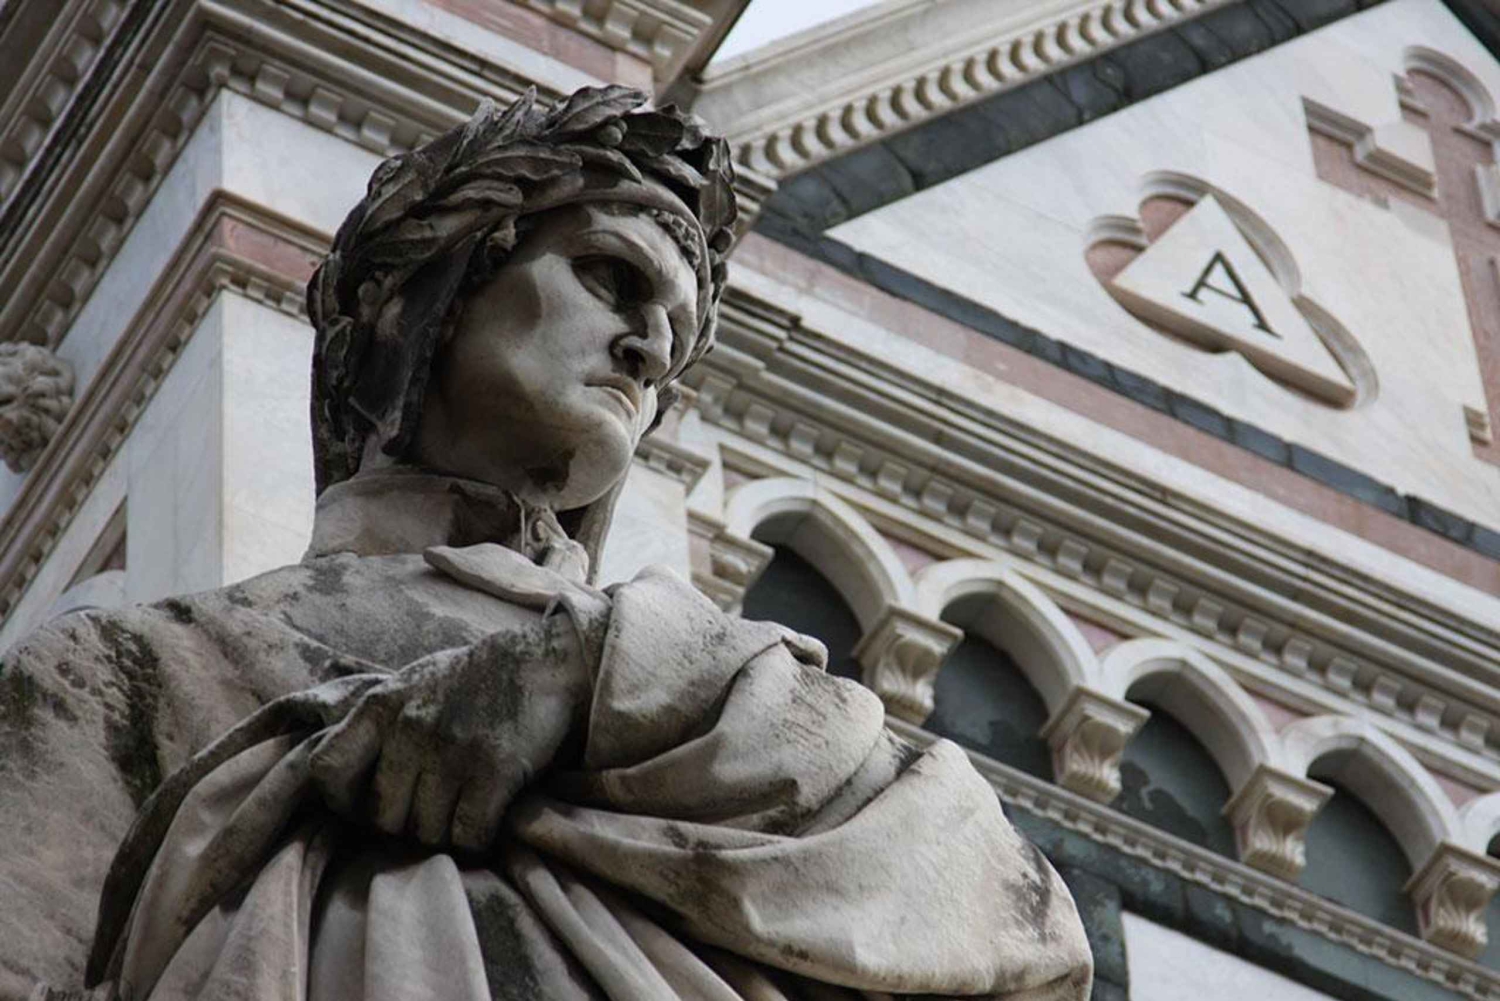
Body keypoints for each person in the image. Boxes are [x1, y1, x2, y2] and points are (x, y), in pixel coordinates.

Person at [0, 85, 1093, 1001]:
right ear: (419, 296)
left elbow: (1024, 932)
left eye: (675, 334)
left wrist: (589, 676)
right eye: (611, 275)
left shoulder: (743, 706)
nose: (648, 344)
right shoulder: (135, 669)